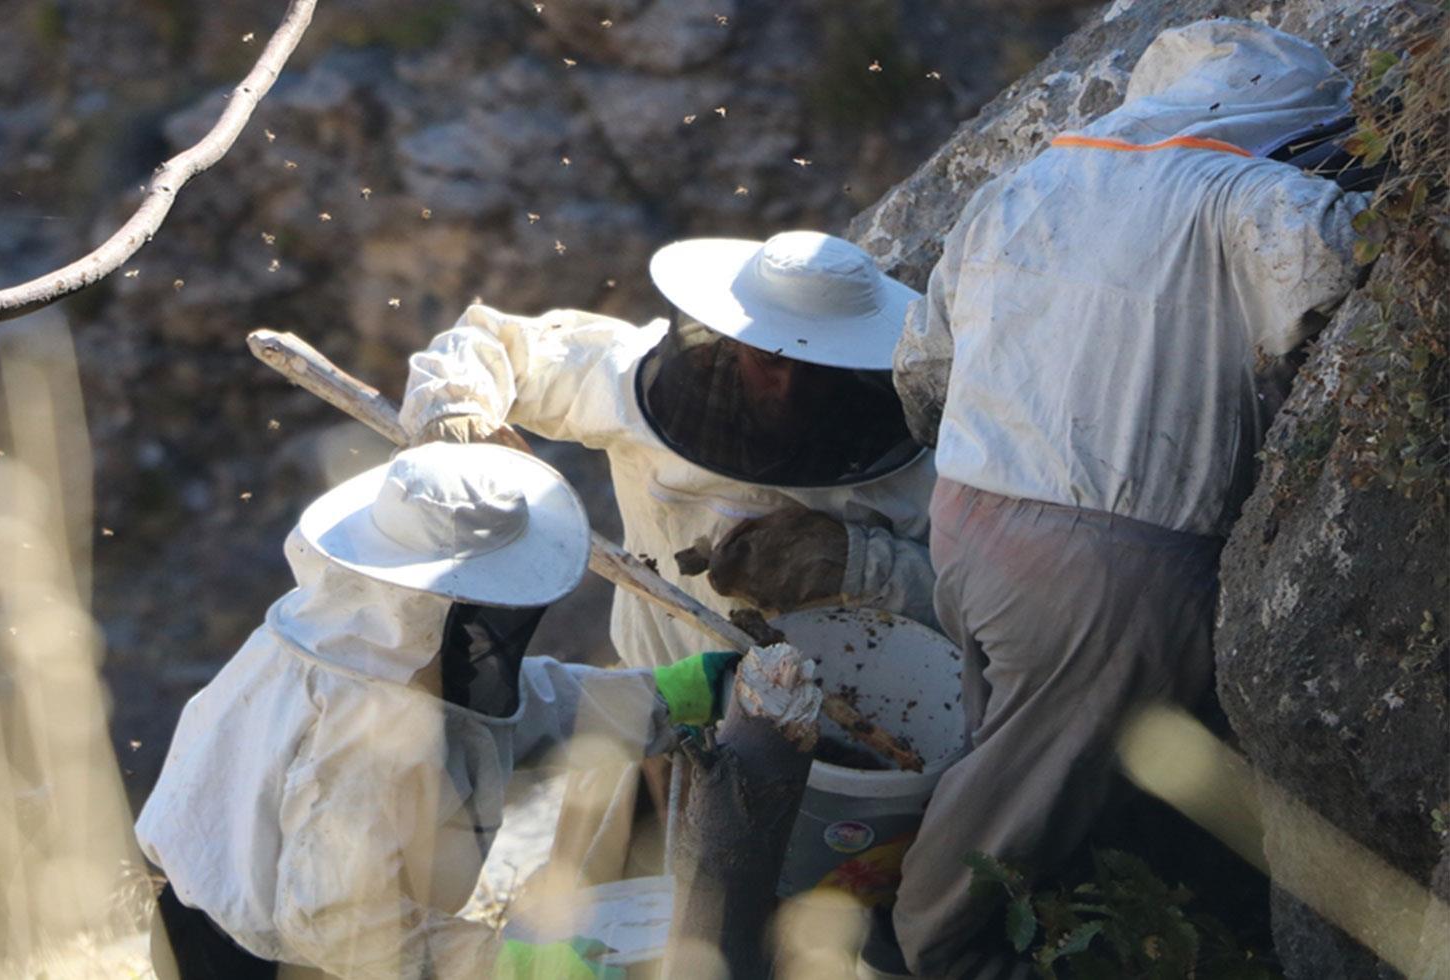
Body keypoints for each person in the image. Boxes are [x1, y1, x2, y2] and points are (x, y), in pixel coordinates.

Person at [888, 19, 1372, 977]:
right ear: (1283, 122)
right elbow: (1328, 285)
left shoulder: (1017, 188)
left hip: (967, 522)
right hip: (1106, 566)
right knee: (1014, 795)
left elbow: (923, 373)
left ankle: (1052, 919)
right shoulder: (1251, 196)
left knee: (1019, 753)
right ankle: (934, 951)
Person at [402, 230, 939, 883]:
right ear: (736, 337)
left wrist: (858, 561)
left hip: (839, 737)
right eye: (772, 359)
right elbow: (489, 345)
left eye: (817, 370)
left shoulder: (912, 457)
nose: (790, 388)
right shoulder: (632, 384)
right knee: (599, 919)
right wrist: (457, 417)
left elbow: (983, 601)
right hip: (651, 706)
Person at [136, 442, 739, 980]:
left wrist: (664, 698)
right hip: (258, 960)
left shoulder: (360, 635)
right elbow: (332, 920)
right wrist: (507, 965)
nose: (493, 623)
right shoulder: (362, 724)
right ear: (431, 605)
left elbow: (497, 715)